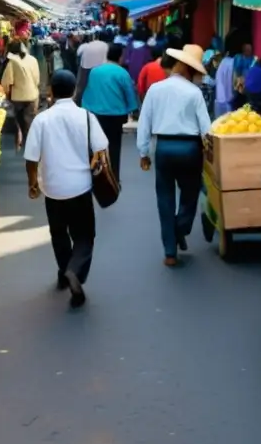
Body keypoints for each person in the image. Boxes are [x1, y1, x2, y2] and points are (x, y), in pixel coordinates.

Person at [25, 70, 109, 308]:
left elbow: (31, 157)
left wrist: (32, 182)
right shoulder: (86, 117)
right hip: (80, 186)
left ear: (50, 91)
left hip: (52, 188)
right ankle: (75, 271)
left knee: (58, 233)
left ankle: (64, 271)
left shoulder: (42, 119)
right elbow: (101, 148)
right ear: (74, 91)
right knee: (84, 235)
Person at [137, 44, 212, 267]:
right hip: (190, 149)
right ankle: (180, 228)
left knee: (165, 198)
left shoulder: (156, 90)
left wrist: (144, 152)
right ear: (190, 69)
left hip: (164, 148)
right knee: (190, 195)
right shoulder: (194, 92)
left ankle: (170, 251)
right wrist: (209, 152)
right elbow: (206, 128)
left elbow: (145, 123)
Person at [81, 43, 138, 184]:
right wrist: (133, 109)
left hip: (95, 114)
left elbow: (88, 92)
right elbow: (129, 94)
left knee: (95, 145)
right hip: (115, 116)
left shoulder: (95, 71)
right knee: (114, 147)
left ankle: (95, 175)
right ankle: (113, 178)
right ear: (120, 56)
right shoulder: (122, 73)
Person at [1, 40, 41, 150]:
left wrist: (7, 94)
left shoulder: (12, 61)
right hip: (32, 95)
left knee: (18, 121)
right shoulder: (33, 59)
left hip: (18, 97)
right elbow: (37, 79)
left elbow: (7, 82)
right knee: (29, 120)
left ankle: (19, 142)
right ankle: (29, 144)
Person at [74, 29, 111, 102]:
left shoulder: (86, 45)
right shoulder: (107, 46)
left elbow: (78, 53)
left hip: (86, 67)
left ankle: (77, 101)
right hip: (101, 68)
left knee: (81, 86)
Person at [214, 45, 235, 119]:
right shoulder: (232, 63)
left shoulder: (223, 62)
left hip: (220, 100)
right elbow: (230, 83)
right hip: (228, 102)